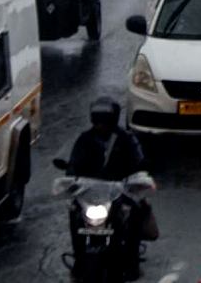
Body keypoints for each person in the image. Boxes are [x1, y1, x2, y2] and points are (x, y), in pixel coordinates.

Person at [63, 95, 159, 253]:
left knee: (136, 209)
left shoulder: (126, 139)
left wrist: (138, 174)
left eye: (104, 122)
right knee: (74, 213)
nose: (101, 126)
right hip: (90, 192)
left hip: (119, 191)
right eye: (98, 121)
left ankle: (131, 259)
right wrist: (71, 174)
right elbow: (74, 162)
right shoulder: (84, 139)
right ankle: (78, 257)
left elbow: (139, 161)